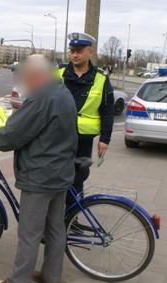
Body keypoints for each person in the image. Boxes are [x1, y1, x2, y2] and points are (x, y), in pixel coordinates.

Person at [0, 55, 78, 283]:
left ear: (36, 76)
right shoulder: (63, 92)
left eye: (26, 78)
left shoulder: (41, 98)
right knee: (55, 228)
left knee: (29, 233)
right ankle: (51, 277)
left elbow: (14, 134)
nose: (24, 83)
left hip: (40, 176)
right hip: (61, 173)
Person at [57, 32, 115, 206]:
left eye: (79, 50)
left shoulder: (100, 78)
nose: (75, 54)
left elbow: (108, 110)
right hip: (58, 135)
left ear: (90, 52)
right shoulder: (58, 74)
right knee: (56, 174)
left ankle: (73, 215)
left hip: (83, 138)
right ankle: (58, 215)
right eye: (72, 50)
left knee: (78, 176)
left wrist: (105, 139)